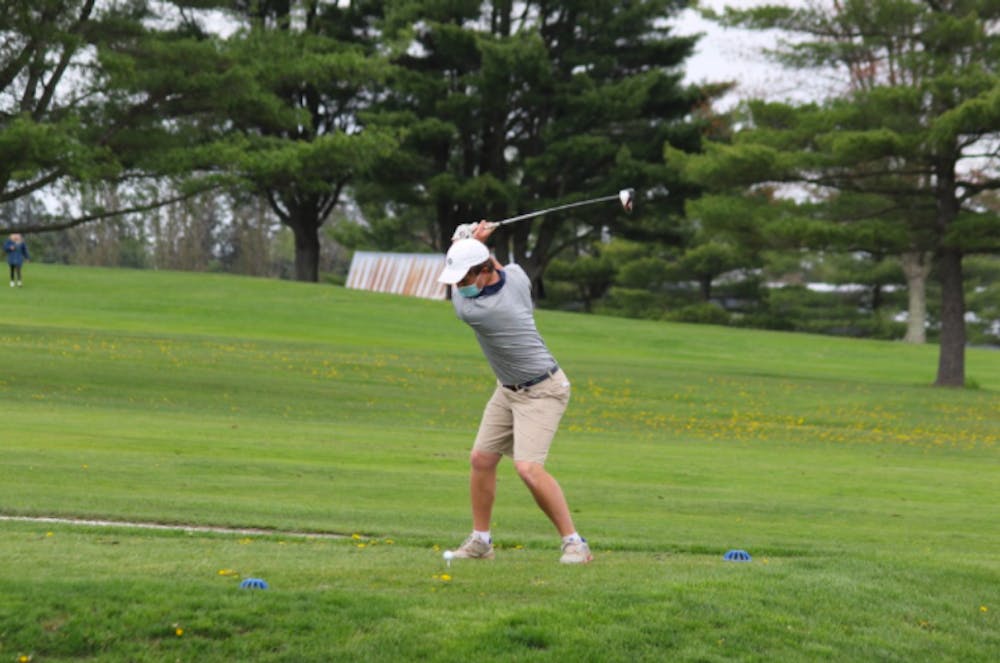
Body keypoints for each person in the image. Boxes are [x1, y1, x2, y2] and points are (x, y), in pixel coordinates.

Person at [437, 221, 592, 564]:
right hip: (507, 388)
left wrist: (466, 238)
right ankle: (481, 542)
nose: (459, 287)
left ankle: (575, 543)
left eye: (464, 279)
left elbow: (478, 269)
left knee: (528, 468)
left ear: (482, 271)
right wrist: (473, 244)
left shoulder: (478, 310)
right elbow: (498, 267)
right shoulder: (518, 276)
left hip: (543, 390)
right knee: (481, 459)